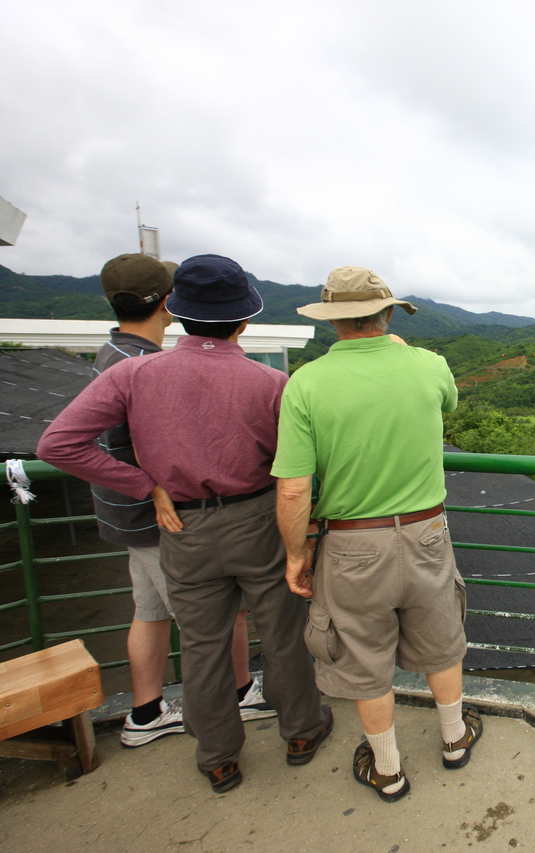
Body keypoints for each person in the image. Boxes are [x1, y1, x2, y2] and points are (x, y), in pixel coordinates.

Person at [38, 254, 331, 793]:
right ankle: (301, 732)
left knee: (201, 644)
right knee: (284, 634)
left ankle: (218, 757)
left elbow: (57, 444)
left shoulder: (132, 374)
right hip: (258, 521)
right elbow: (299, 468)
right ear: (245, 320)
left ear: (175, 309)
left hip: (181, 525)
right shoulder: (272, 382)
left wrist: (143, 485)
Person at [273, 266, 480, 803]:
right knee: (441, 640)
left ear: (331, 321)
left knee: (363, 657)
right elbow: (448, 405)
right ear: (388, 313)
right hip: (427, 533)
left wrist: (296, 555)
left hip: (350, 546)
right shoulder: (430, 365)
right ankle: (454, 739)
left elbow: (293, 489)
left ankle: (388, 771)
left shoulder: (305, 383)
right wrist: (403, 354)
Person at [87, 254, 272, 749]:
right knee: (213, 620)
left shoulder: (114, 352)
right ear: (169, 302)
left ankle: (146, 712)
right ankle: (236, 697)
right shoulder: (139, 366)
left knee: (149, 613)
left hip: (131, 518)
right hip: (166, 518)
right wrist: (147, 486)